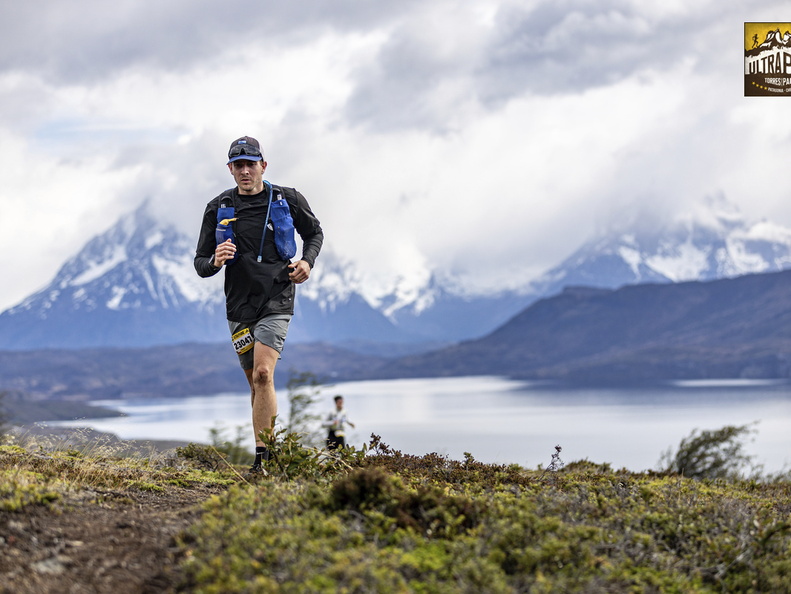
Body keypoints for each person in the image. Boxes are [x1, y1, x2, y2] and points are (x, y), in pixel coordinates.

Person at [194, 136, 324, 473]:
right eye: (239, 165)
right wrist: (215, 261)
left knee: (265, 374)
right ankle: (267, 455)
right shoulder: (218, 207)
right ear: (230, 170)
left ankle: (263, 459)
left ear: (263, 166)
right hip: (239, 306)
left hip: (277, 296)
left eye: (251, 163)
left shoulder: (287, 198)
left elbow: (314, 234)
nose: (245, 170)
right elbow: (200, 263)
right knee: (255, 382)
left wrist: (307, 262)